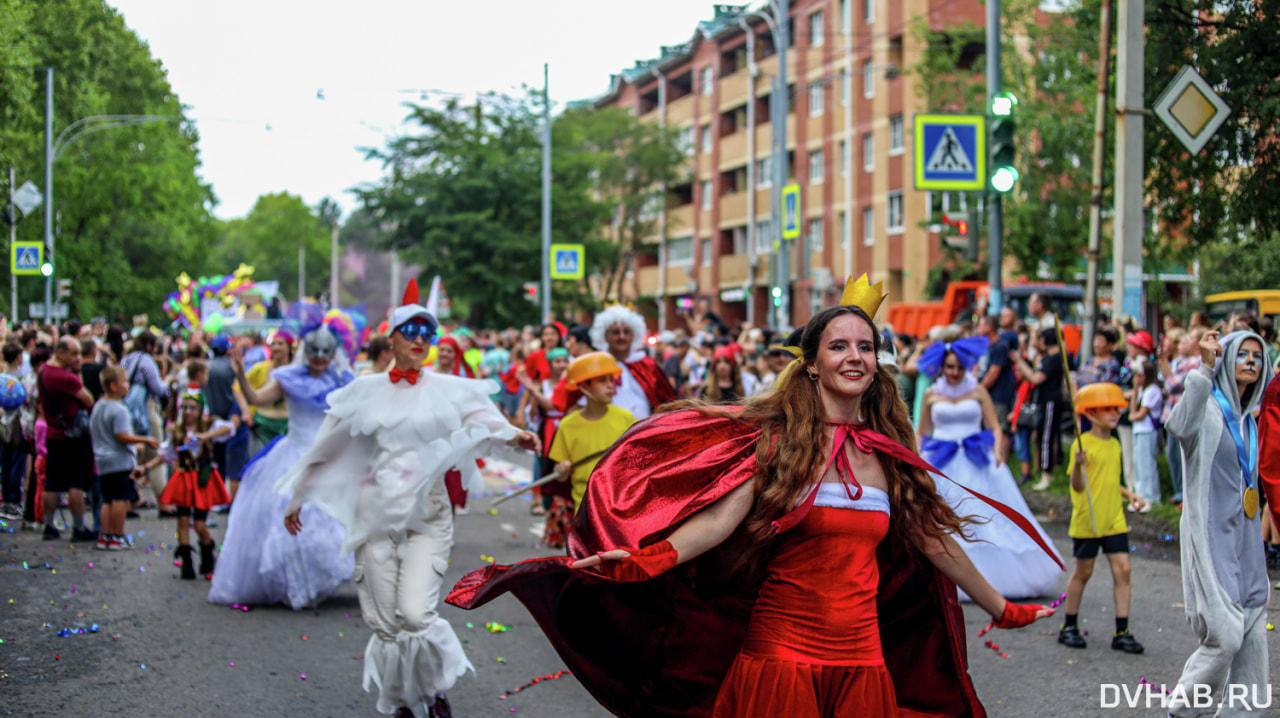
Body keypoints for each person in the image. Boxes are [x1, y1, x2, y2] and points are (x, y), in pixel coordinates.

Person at [447, 275, 1057, 717]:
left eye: (865, 347)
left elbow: (932, 539)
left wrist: (1001, 606)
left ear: (878, 364)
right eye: (838, 345)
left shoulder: (887, 453)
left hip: (863, 663)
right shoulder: (779, 444)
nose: (854, 356)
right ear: (812, 363)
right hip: (781, 659)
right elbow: (716, 524)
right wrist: (645, 558)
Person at [276, 279, 539, 718]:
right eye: (411, 331)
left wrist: (517, 436)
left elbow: (483, 418)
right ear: (392, 338)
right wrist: (297, 496)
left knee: (416, 616)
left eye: (427, 333)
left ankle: (434, 693)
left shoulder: (447, 387)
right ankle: (404, 700)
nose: (420, 340)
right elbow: (327, 445)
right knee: (387, 624)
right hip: (375, 518)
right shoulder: (364, 389)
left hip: (427, 517)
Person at [207, 303, 360, 609]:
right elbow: (255, 399)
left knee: (326, 521)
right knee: (284, 517)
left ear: (333, 353)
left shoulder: (342, 380)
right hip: (292, 455)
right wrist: (241, 376)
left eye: (325, 353)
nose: (319, 359)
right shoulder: (288, 377)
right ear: (305, 350)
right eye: (314, 352)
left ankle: (314, 580)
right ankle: (291, 582)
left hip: (326, 457)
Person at [1166, 331, 1273, 715]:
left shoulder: (1250, 422)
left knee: (1252, 638)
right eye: (1241, 354)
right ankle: (1183, 709)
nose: (1250, 361)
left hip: (1244, 542)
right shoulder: (1208, 408)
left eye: (1257, 357)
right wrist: (1203, 371)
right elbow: (1178, 426)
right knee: (1225, 636)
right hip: (1210, 538)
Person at [916, 336, 1064, 601]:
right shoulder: (930, 393)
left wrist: (997, 451)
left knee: (985, 519)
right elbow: (922, 432)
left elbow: (995, 426)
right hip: (940, 461)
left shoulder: (978, 390)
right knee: (944, 519)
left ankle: (992, 580)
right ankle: (949, 577)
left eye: (960, 368)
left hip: (977, 459)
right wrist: (915, 460)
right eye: (950, 367)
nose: (954, 373)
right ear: (941, 367)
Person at [1058, 382, 1147, 653]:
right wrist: (1078, 465)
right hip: (1089, 519)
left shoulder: (1116, 445)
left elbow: (1108, 480)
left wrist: (1127, 493)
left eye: (1116, 408)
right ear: (1091, 413)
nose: (1114, 413)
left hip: (1113, 519)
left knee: (1124, 570)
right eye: (1107, 409)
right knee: (1083, 572)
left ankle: (1122, 631)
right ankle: (1069, 626)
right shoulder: (1082, 444)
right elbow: (1077, 486)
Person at [139, 387, 236, 578]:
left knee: (200, 525)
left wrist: (205, 437)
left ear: (201, 409)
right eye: (185, 408)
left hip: (202, 480)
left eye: (193, 408)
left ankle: (208, 556)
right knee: (182, 520)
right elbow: (166, 455)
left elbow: (230, 428)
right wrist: (144, 468)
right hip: (184, 479)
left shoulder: (210, 425)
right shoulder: (176, 429)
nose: (189, 412)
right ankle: (187, 562)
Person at [549, 352, 636, 516]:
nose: (610, 385)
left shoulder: (626, 418)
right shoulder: (568, 425)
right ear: (584, 386)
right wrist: (561, 470)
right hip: (584, 510)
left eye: (611, 379)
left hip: (622, 507)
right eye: (602, 380)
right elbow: (559, 475)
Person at [89, 366, 159, 550]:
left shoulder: (98, 406)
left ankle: (105, 536)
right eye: (125, 381)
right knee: (120, 499)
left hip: (103, 460)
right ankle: (117, 536)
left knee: (107, 500)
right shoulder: (119, 409)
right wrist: (145, 439)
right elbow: (121, 436)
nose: (128, 386)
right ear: (113, 386)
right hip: (119, 461)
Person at [38, 337, 97, 542]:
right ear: (61, 353)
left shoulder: (43, 370)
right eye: (74, 354)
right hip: (72, 434)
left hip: (53, 433)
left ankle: (49, 525)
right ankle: (79, 527)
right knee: (76, 483)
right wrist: (77, 373)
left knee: (52, 483)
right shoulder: (66, 378)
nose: (78, 358)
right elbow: (88, 399)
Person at [589, 305, 674, 419]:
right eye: (616, 332)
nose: (622, 336)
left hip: (643, 431)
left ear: (633, 335)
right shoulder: (595, 364)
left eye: (627, 332)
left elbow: (666, 403)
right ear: (605, 335)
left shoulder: (648, 365)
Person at [1011, 328, 1066, 491]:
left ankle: (1047, 474)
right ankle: (1043, 472)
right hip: (1044, 402)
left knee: (1046, 438)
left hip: (1051, 402)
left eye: (1040, 338)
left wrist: (1019, 361)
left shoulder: (1055, 359)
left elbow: (1036, 377)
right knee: (1042, 437)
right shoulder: (1047, 358)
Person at [203, 336, 252, 503]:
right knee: (235, 464)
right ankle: (230, 501)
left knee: (218, 462)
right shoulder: (232, 367)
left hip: (213, 420)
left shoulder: (205, 367)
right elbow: (242, 389)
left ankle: (219, 498)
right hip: (233, 419)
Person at [245, 333, 293, 448]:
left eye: (280, 343)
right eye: (273, 344)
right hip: (263, 426)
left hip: (289, 425)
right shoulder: (260, 368)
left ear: (289, 348)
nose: (275, 347)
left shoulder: (296, 371)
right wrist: (246, 411)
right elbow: (238, 387)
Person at [1128, 360, 1163, 506]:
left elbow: (1141, 413)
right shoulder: (1143, 390)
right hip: (1139, 430)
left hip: (1147, 430)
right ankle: (1141, 496)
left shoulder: (1153, 390)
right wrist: (1135, 390)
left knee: (1147, 464)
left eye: (1139, 375)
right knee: (1139, 464)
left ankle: (1151, 497)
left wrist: (1133, 416)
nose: (1136, 378)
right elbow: (1133, 409)